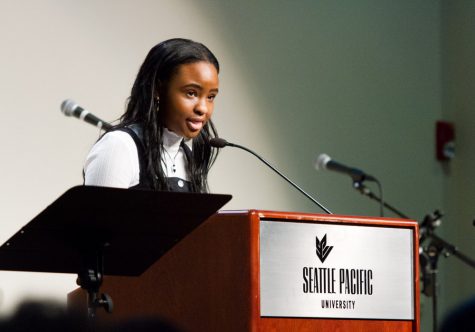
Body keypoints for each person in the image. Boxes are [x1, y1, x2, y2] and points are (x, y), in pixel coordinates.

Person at [84, 38, 220, 193]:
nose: (203, 108)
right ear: (157, 89)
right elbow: (98, 217)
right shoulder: (119, 147)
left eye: (210, 97)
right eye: (191, 93)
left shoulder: (186, 157)